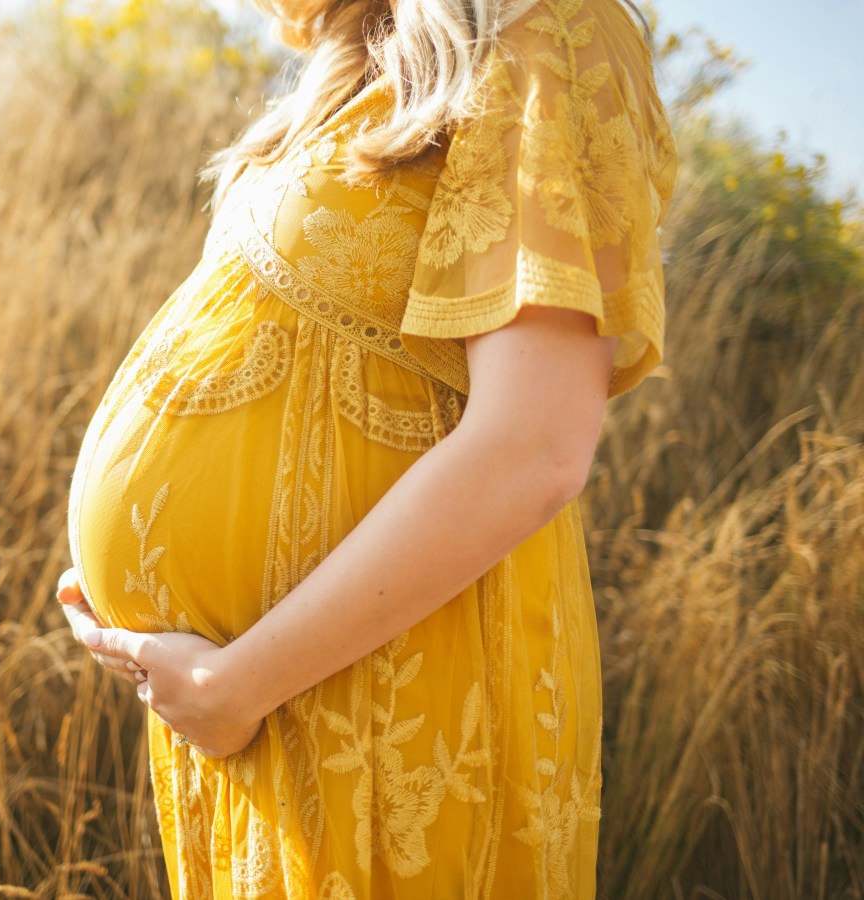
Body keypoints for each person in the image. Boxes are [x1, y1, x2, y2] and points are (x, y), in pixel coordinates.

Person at [57, 0, 677, 895]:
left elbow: (533, 446)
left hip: (392, 697)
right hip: (263, 698)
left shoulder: (555, 32)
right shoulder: (359, 60)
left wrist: (238, 684)